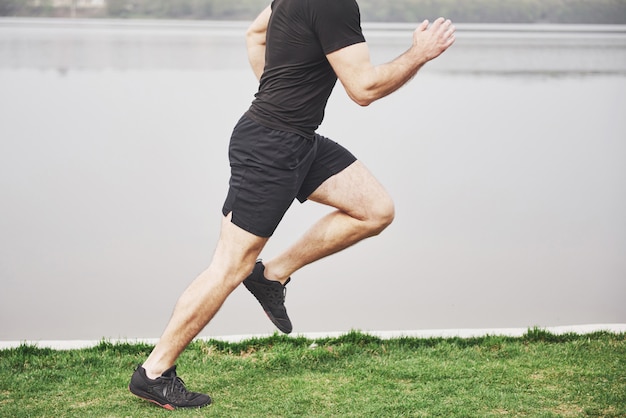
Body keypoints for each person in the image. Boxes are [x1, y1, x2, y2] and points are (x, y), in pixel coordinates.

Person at [128, 0, 455, 410]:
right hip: (270, 145)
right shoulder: (334, 4)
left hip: (298, 139)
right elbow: (364, 89)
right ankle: (154, 373)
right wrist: (420, 53)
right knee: (230, 266)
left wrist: (277, 93)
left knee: (375, 209)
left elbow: (255, 34)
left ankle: (273, 275)